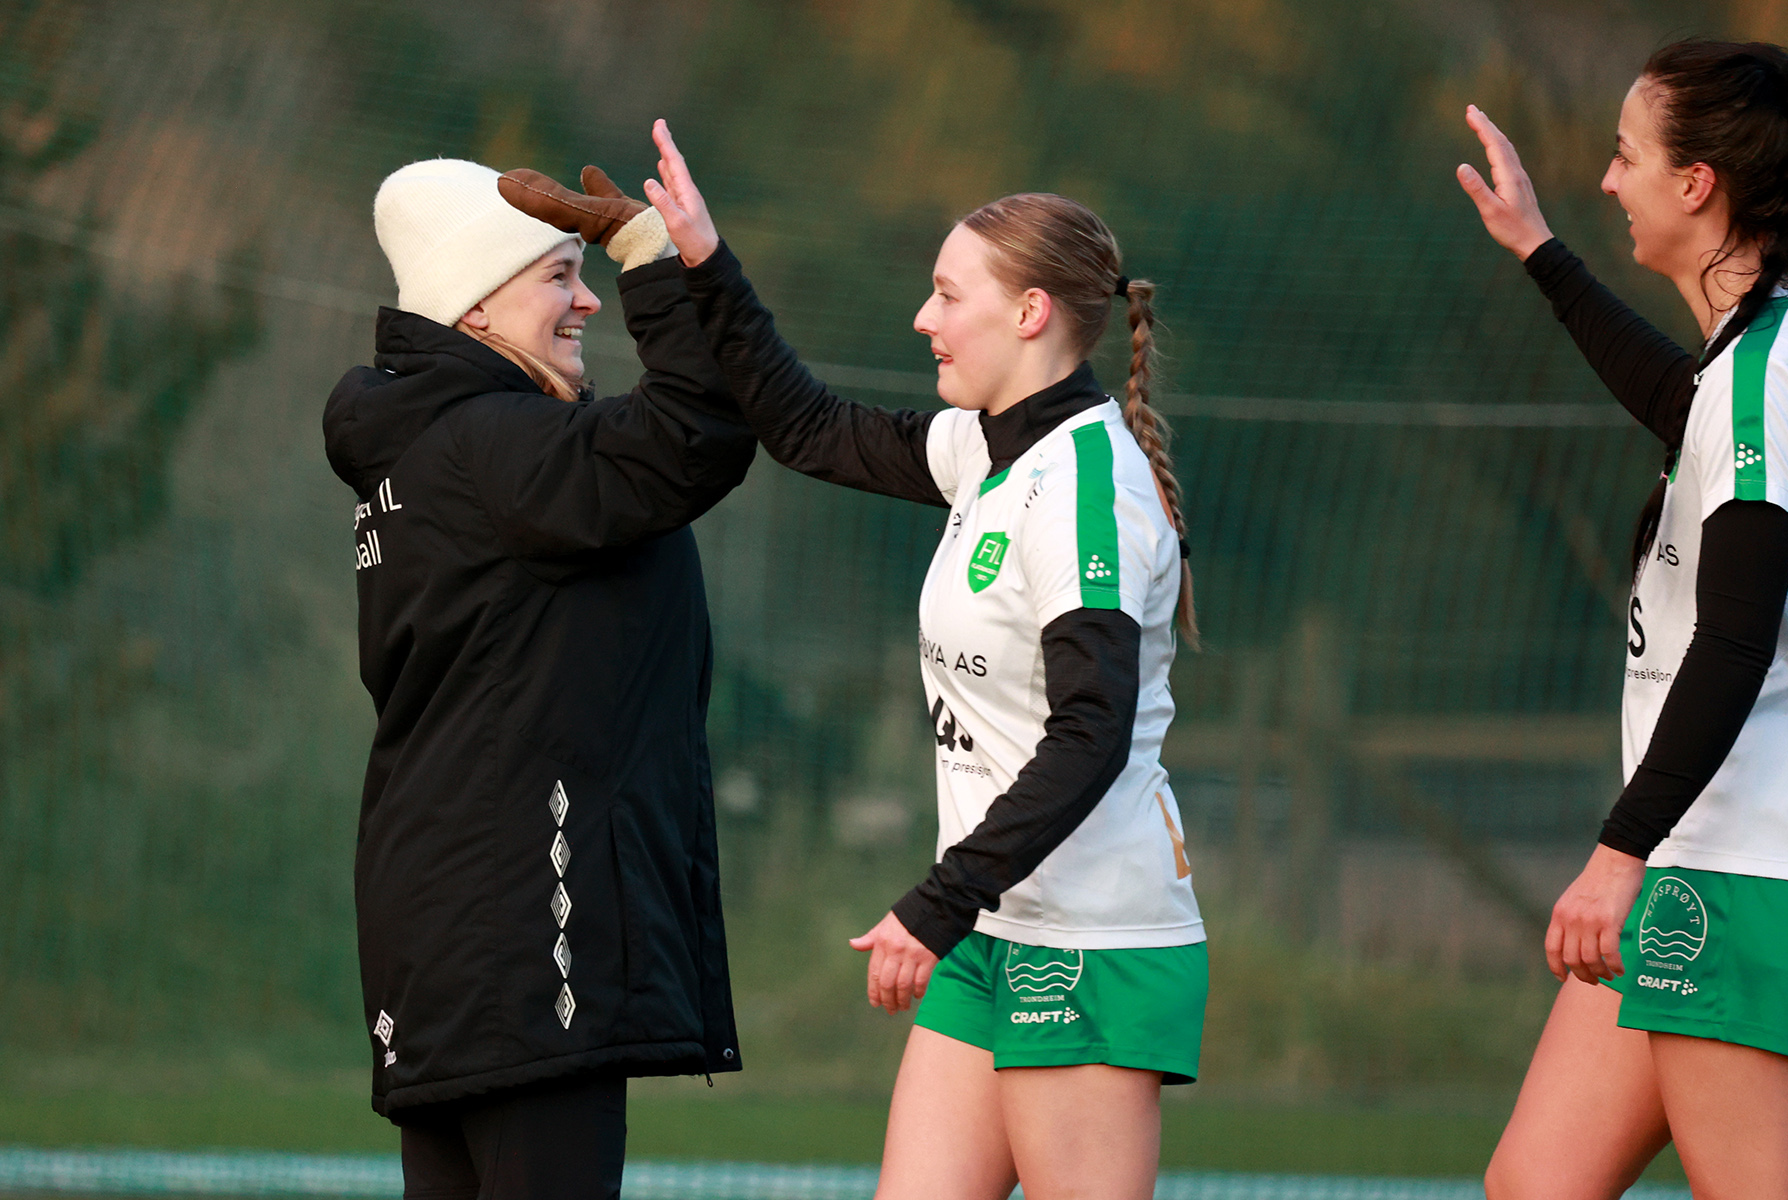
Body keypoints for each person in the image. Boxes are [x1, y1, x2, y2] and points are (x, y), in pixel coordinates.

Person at [543, 119, 1206, 1200]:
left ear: (1031, 313)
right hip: (994, 925)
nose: (923, 318)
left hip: (1088, 937)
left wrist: (934, 903)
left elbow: (1089, 734)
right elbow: (803, 425)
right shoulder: (988, 450)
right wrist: (704, 261)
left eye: (949, 295)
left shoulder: (1087, 487)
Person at [323, 157, 755, 1200]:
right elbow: (691, 439)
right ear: (476, 309)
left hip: (442, 939)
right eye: (559, 274)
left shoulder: (428, 448)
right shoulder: (495, 443)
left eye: (587, 270)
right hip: (525, 933)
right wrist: (656, 260)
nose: (586, 297)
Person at [1456, 39, 1788, 1200]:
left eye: (1626, 155)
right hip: (1689, 862)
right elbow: (1679, 401)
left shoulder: (1769, 371)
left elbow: (1738, 638)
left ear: (1696, 184)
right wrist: (1540, 251)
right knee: (1533, 1186)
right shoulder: (1745, 364)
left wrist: (1617, 854)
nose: (1609, 180)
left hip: (1739, 866)